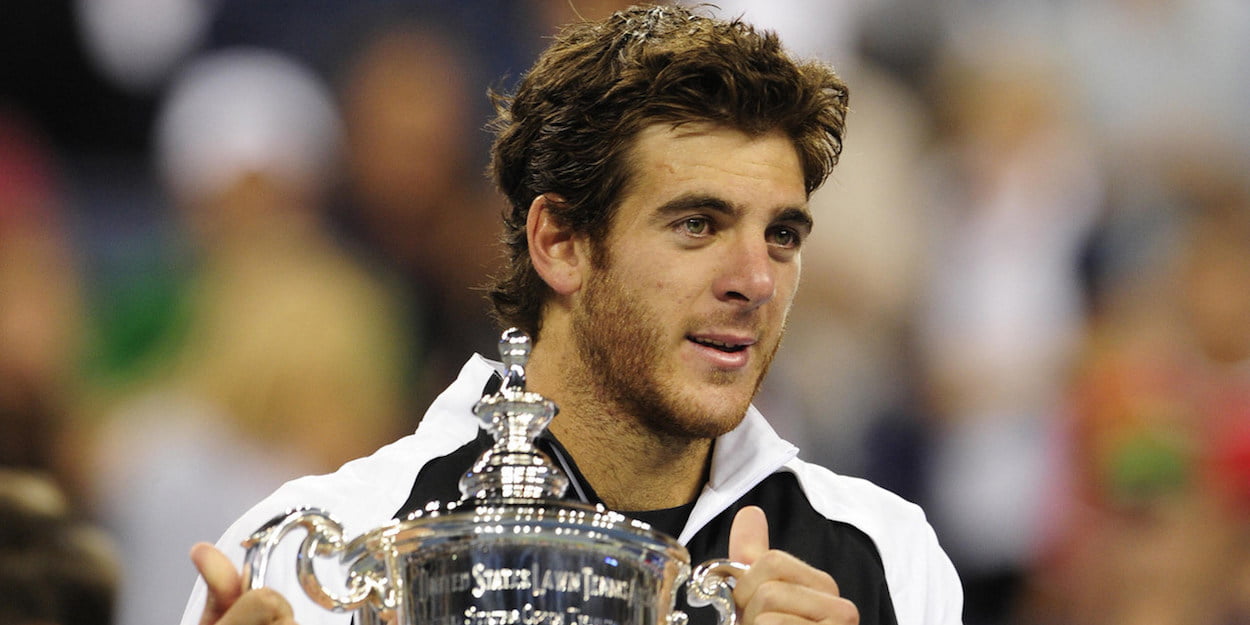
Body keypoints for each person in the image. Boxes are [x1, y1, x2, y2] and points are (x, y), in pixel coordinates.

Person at [178, 5, 963, 625]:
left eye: (782, 235)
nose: (755, 279)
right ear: (560, 242)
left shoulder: (886, 556)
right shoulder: (315, 549)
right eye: (697, 224)